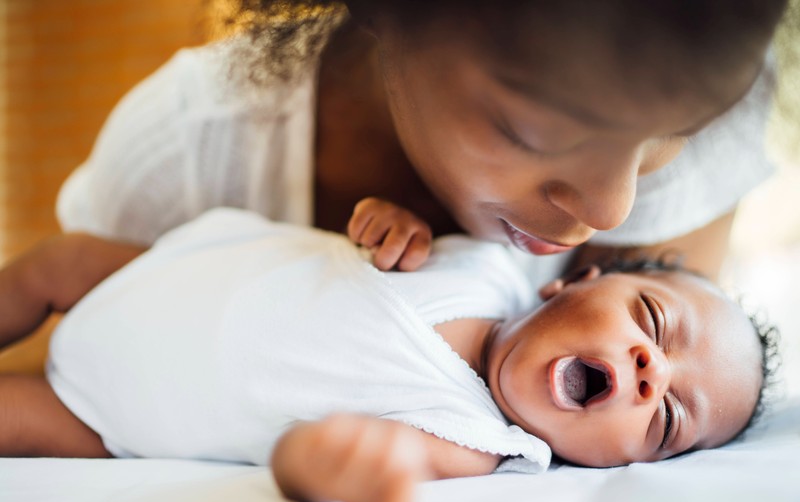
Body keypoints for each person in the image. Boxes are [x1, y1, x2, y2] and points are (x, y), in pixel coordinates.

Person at [0, 199, 777, 502]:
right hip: (168, 273)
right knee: (52, 263)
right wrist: (390, 223)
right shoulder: (490, 263)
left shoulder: (478, 444)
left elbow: (325, 456)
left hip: (121, 415)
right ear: (574, 285)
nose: (651, 370)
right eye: (652, 321)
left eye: (668, 416)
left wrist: (331, 463)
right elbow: (377, 240)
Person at [55, 0, 789, 289]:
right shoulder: (189, 153)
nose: (610, 204)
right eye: (533, 132)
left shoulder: (686, 137)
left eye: (680, 132)